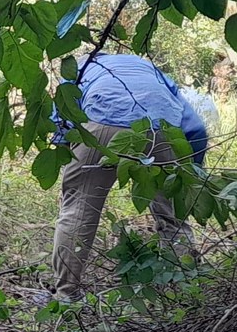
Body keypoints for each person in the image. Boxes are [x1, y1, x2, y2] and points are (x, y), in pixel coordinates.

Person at [48, 51, 200, 303]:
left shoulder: (78, 69)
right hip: (162, 129)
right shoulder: (148, 67)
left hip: (103, 123)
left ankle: (66, 295)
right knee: (173, 216)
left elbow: (62, 122)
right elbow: (195, 126)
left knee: (78, 210)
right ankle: (184, 294)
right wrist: (190, 174)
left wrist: (73, 169)